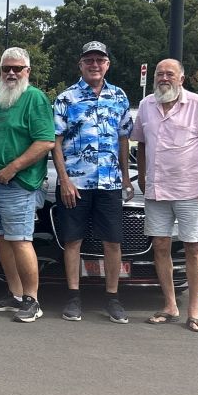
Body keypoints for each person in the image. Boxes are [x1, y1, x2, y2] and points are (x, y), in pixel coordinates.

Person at [131, 58, 198, 333]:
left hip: (192, 191)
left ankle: (193, 311)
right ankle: (169, 305)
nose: (163, 78)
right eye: (160, 74)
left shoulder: (197, 104)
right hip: (157, 191)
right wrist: (142, 175)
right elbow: (142, 142)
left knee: (193, 247)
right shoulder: (147, 105)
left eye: (169, 74)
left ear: (181, 79)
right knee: (160, 246)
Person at [0, 47, 54, 323]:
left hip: (18, 184)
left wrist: (13, 167)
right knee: (2, 241)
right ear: (0, 71)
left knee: (20, 240)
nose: (11, 73)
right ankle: (14, 295)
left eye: (17, 68)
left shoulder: (34, 98)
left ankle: (32, 300)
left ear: (28, 71)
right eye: (6, 68)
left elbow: (45, 141)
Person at [52, 41, 135, 323]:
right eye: (89, 60)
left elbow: (123, 139)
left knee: (113, 242)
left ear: (107, 64)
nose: (95, 65)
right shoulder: (66, 98)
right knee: (73, 240)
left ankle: (112, 298)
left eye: (100, 60)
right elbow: (56, 142)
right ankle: (74, 297)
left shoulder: (119, 96)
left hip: (109, 183)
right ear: (81, 64)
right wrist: (64, 180)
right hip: (76, 182)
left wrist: (125, 177)